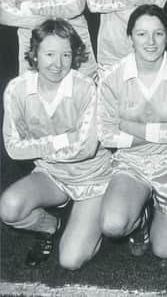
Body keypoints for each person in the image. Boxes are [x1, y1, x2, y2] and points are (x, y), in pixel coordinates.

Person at [0, 19, 111, 269]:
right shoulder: (16, 89)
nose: (57, 63)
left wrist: (38, 145)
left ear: (74, 57)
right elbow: (13, 148)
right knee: (9, 207)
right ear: (34, 54)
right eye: (49, 54)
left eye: (65, 55)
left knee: (71, 260)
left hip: (91, 177)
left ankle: (127, 214)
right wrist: (64, 139)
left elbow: (86, 148)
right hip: (51, 174)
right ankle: (50, 226)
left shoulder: (86, 88)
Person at [97, 5, 167, 259]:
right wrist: (158, 133)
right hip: (132, 162)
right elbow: (106, 135)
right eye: (141, 34)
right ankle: (140, 221)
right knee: (113, 225)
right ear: (129, 38)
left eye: (158, 34)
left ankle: (162, 208)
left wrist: (129, 127)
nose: (150, 42)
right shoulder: (112, 78)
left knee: (164, 251)